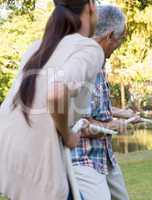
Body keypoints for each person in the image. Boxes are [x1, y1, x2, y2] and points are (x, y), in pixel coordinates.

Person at [0, 0, 104, 199]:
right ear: (90, 5)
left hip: (5, 149)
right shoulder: (89, 48)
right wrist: (67, 135)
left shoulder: (35, 48)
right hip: (36, 162)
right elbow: (56, 92)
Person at [71, 5, 137, 200]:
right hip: (83, 158)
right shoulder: (83, 64)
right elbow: (80, 124)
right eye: (120, 39)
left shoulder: (100, 64)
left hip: (105, 156)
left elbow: (98, 109)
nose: (120, 45)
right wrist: (113, 125)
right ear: (109, 36)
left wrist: (126, 114)